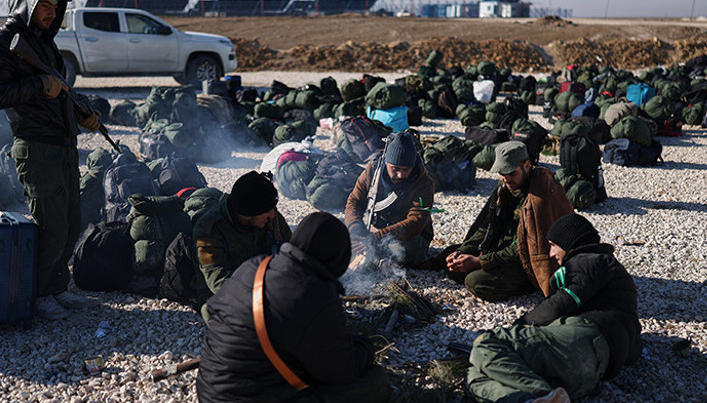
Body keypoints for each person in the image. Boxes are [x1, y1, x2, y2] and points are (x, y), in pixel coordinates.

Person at [0, 0, 101, 320]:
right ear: (26, 4)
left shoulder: (45, 44)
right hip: (36, 146)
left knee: (72, 222)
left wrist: (83, 115)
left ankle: (58, 287)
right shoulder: (3, 40)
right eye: (44, 5)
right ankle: (41, 294)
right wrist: (39, 84)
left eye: (56, 7)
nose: (51, 12)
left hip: (62, 144)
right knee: (51, 226)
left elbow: (59, 92)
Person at [197, 212, 390, 403]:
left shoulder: (255, 266)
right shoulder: (317, 294)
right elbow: (341, 371)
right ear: (337, 258)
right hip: (250, 397)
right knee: (375, 380)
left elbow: (210, 309)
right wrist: (365, 346)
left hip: (208, 391)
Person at [465, 213, 641, 403]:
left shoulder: (591, 260)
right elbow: (633, 351)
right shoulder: (615, 285)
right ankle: (536, 399)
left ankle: (541, 395)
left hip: (580, 343)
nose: (550, 254)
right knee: (474, 377)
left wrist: (520, 325)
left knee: (487, 344)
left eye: (553, 245)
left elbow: (561, 303)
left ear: (569, 242)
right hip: (588, 375)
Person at [444, 141, 573, 300]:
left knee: (475, 281)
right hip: (502, 249)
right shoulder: (505, 186)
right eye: (502, 173)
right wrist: (463, 251)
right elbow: (487, 225)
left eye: (511, 173)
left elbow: (524, 248)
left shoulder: (540, 195)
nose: (506, 179)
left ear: (527, 165)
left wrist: (480, 261)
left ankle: (528, 285)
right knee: (453, 265)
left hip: (527, 260)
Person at [193, 171, 291, 318]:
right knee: (213, 311)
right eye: (267, 211)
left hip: (265, 286)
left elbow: (293, 251)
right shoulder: (209, 229)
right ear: (249, 212)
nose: (272, 215)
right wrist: (262, 300)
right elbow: (218, 280)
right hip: (235, 293)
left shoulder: (271, 219)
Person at [344, 132, 434, 268]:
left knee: (402, 249)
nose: (400, 174)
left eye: (406, 169)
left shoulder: (423, 183)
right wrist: (356, 231)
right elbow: (355, 201)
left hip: (408, 236)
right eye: (395, 169)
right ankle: (373, 257)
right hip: (375, 229)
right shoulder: (372, 171)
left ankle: (374, 259)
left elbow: (416, 221)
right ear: (386, 163)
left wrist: (375, 238)